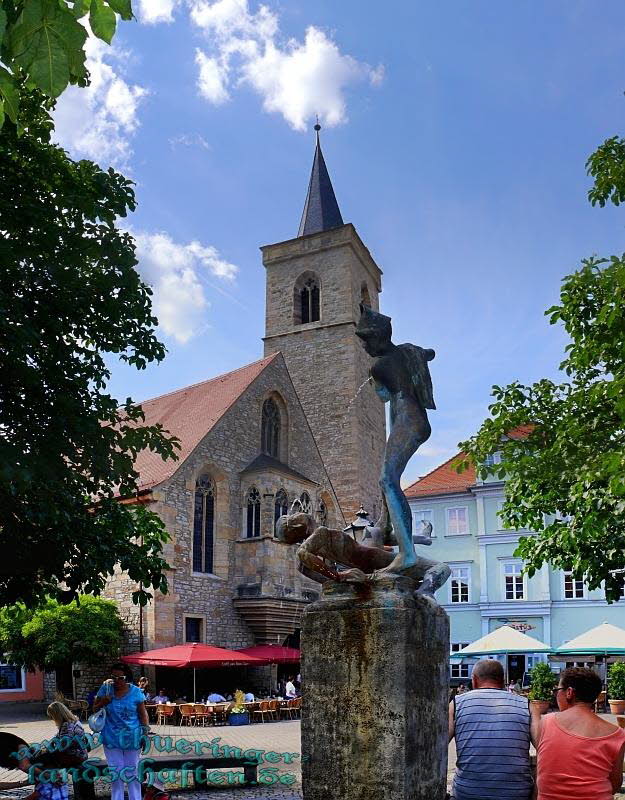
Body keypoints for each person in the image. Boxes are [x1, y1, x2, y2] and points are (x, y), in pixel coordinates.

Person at [533, 667, 625, 800]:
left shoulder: (546, 723)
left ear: (569, 692)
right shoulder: (617, 735)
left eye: (557, 691)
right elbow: (615, 785)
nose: (555, 695)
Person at [449, 659, 533, 800]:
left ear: (474, 680)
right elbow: (544, 749)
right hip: (517, 793)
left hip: (468, 794)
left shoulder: (457, 704)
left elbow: (437, 746)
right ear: (502, 680)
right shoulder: (527, 705)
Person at [92, 662, 149, 800]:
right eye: (113, 677)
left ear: (127, 678)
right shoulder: (105, 689)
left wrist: (145, 734)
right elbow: (94, 710)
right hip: (111, 738)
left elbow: (143, 714)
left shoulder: (136, 692)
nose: (116, 681)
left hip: (132, 738)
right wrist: (104, 701)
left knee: (132, 774)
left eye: (120, 678)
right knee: (116, 775)